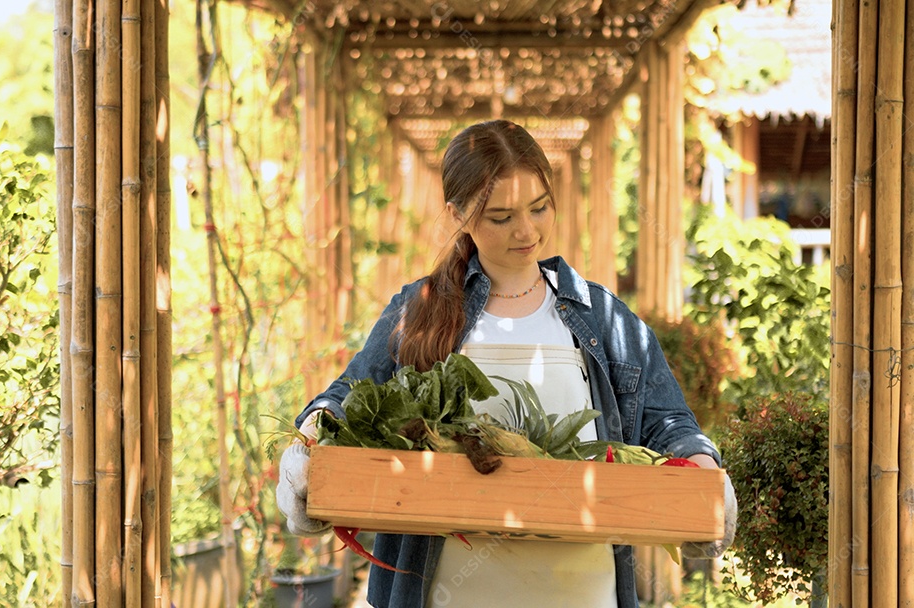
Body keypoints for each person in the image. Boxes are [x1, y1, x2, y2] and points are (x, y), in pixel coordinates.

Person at [276, 119, 737, 608]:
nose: (526, 230)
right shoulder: (421, 309)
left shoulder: (601, 318)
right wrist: (307, 448)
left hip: (581, 592)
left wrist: (704, 473)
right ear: (459, 214)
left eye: (539, 207)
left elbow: (667, 423)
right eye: (499, 217)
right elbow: (347, 398)